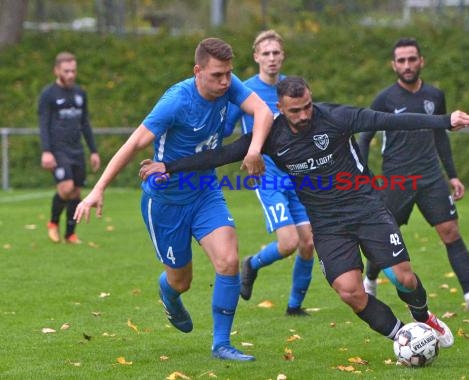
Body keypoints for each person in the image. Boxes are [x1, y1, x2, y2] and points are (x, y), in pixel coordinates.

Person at [139, 76, 469, 351]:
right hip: (328, 224)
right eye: (295, 111)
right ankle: (404, 339)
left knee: (403, 277)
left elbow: (389, 120)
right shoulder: (272, 135)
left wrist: (445, 121)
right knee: (350, 291)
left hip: (366, 207)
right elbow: (220, 155)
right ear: (280, 108)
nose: (304, 115)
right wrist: (168, 165)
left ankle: (423, 318)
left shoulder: (335, 117)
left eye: (307, 107)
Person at [73, 38, 274, 361]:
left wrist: (253, 150)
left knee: (228, 261)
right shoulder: (176, 101)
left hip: (205, 189)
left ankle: (221, 344)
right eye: (216, 76)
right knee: (182, 280)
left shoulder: (229, 85)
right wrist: (98, 188)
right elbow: (134, 143)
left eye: (228, 74)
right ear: (198, 71)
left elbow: (263, 112)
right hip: (165, 201)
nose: (225, 82)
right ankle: (169, 294)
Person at [358, 38, 469, 312]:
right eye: (401, 61)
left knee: (451, 232)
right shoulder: (384, 99)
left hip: (431, 177)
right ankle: (370, 280)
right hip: (397, 178)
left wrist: (452, 175)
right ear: (393, 65)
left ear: (421, 61)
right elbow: (365, 138)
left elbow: (441, 136)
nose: (407, 65)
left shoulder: (435, 95)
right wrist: (364, 175)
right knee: (386, 235)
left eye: (412, 59)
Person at [223, 30, 314, 316]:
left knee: (309, 242)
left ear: (283, 55)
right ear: (256, 57)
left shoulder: (292, 89)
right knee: (289, 243)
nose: (272, 58)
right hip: (268, 177)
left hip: (297, 175)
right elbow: (226, 128)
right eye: (266, 53)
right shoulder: (245, 91)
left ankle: (294, 306)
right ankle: (252, 264)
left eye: (276, 53)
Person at [39, 51, 101, 244]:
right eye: (66, 71)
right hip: (58, 150)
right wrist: (46, 151)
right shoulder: (48, 95)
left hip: (77, 150)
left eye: (73, 70)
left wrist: (93, 150)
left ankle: (70, 234)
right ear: (56, 70)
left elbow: (85, 123)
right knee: (66, 188)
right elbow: (44, 124)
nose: (71, 75)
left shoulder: (80, 93)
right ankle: (53, 223)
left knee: (75, 192)